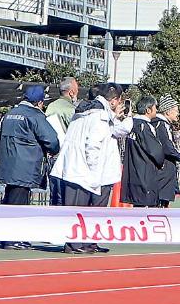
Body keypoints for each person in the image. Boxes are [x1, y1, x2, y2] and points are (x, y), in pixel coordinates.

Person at [53, 84, 127, 253]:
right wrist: (93, 172)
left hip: (76, 168)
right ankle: (76, 244)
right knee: (83, 209)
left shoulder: (85, 110)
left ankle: (86, 242)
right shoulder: (99, 114)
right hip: (86, 171)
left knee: (85, 209)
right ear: (114, 100)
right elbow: (93, 145)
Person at [0, 85, 60, 247]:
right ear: (39, 102)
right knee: (19, 203)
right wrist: (53, 150)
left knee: (10, 200)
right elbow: (52, 140)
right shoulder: (35, 116)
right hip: (26, 164)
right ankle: (12, 239)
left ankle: (9, 236)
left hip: (8, 164)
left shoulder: (9, 114)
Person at [123, 95, 168, 208]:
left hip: (133, 171)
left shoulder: (131, 124)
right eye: (155, 107)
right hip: (145, 172)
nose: (156, 110)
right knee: (146, 208)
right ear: (148, 110)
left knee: (137, 205)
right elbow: (155, 150)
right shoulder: (144, 126)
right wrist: (161, 162)